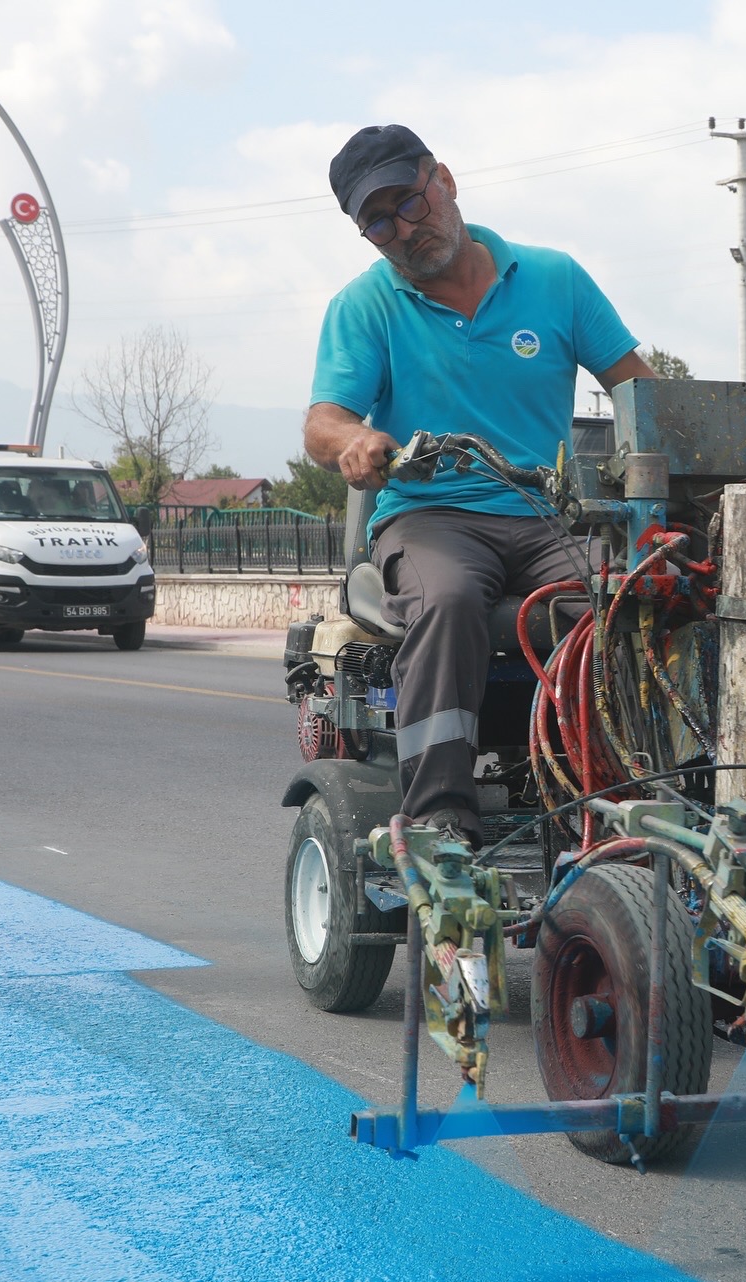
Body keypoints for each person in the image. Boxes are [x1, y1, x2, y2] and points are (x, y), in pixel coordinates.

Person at [303, 124, 654, 847]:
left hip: (544, 516)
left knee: (620, 599)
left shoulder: (555, 281)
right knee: (450, 599)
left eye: (410, 202)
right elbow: (322, 424)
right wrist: (354, 441)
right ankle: (441, 819)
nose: (404, 229)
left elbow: (643, 398)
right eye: (379, 222)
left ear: (445, 180)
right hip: (429, 517)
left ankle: (608, 800)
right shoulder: (365, 306)